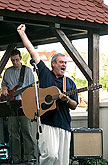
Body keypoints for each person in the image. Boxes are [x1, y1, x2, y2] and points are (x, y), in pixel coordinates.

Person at [17, 24, 79, 165]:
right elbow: (32, 52)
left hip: (65, 125)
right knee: (50, 156)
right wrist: (22, 34)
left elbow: (74, 105)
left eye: (65, 63)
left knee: (62, 161)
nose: (64, 65)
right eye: (61, 62)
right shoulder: (45, 74)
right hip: (48, 123)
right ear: (53, 64)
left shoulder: (69, 83)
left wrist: (66, 99)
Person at [1, 49, 35, 164]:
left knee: (27, 131)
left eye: (16, 60)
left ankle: (29, 157)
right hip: (11, 105)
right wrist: (4, 87)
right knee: (13, 133)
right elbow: (4, 83)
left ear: (20, 58)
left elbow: (32, 88)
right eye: (12, 60)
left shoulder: (28, 71)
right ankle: (15, 158)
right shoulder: (7, 72)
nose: (15, 62)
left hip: (24, 104)